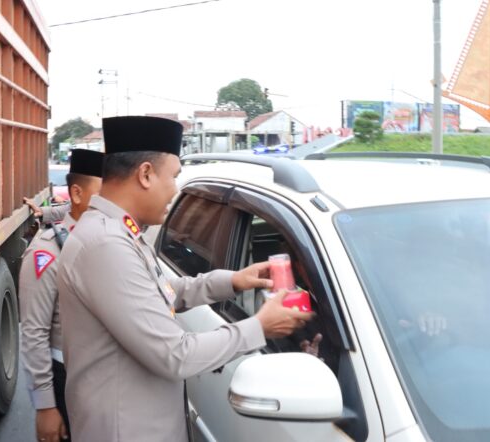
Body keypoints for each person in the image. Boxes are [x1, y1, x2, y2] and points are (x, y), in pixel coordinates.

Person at [56, 116, 313, 442]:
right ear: (146, 174)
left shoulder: (118, 232)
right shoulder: (106, 244)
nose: (175, 189)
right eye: (173, 176)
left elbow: (157, 293)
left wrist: (231, 280)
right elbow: (174, 355)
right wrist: (259, 327)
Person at [19, 149, 104, 442]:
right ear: (78, 193)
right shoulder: (48, 251)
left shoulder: (110, 241)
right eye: (104, 193)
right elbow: (34, 330)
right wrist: (45, 406)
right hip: (66, 377)